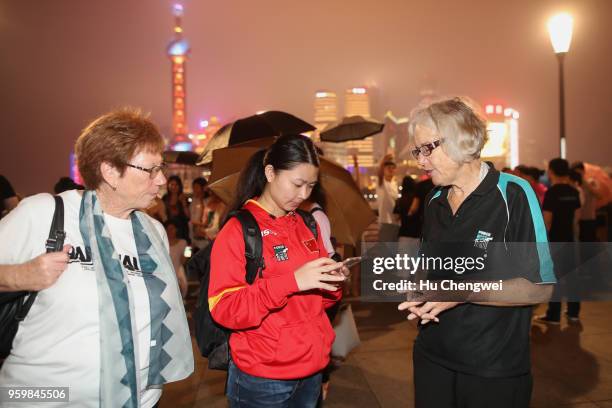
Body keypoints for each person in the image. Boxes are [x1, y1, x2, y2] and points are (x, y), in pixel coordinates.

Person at [0, 108, 193, 407]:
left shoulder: (151, 231)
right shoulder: (44, 214)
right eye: (151, 170)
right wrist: (18, 276)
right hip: (47, 397)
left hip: (139, 398)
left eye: (162, 168)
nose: (162, 181)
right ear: (110, 171)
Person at [398, 97, 555, 408]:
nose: (420, 161)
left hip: (492, 367)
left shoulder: (513, 194)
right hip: (432, 355)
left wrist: (462, 291)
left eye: (427, 149)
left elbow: (540, 288)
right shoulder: (434, 199)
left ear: (462, 141)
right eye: (417, 151)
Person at [208, 134, 347, 407]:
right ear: (270, 172)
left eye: (311, 186)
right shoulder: (238, 231)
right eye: (297, 184)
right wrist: (292, 281)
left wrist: (333, 281)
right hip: (262, 377)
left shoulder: (308, 224)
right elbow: (225, 308)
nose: (304, 195)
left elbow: (322, 303)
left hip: (312, 369)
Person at [536, 158, 581, 324]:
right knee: (572, 277)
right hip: (570, 240)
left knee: (554, 278)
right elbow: (577, 219)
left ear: (551, 171)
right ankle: (573, 312)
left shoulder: (552, 193)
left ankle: (554, 315)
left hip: (555, 241)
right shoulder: (573, 191)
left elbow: (547, 221)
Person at [376, 154, 399, 241]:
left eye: (392, 167)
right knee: (385, 251)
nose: (390, 169)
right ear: (383, 170)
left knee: (394, 252)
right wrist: (383, 161)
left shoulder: (394, 184)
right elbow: (379, 174)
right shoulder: (381, 184)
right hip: (385, 222)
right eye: (388, 167)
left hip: (396, 223)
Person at [162, 175, 190, 243]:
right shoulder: (165, 198)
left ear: (180, 186)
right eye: (172, 184)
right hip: (167, 229)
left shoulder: (183, 198)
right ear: (168, 185)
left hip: (181, 229)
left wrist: (183, 203)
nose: (174, 187)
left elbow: (188, 216)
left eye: (176, 185)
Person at [165, 220, 189, 298]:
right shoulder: (162, 242)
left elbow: (183, 260)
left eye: (172, 229)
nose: (170, 231)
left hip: (178, 267)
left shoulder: (183, 242)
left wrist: (187, 253)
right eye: (168, 229)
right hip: (166, 268)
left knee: (183, 284)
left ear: (176, 230)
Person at [395, 175, 420, 247]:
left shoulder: (400, 201)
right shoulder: (418, 200)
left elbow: (396, 217)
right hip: (417, 233)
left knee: (405, 257)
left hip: (404, 234)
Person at [189, 177, 209, 252]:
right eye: (193, 187)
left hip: (204, 237)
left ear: (203, 188)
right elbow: (190, 215)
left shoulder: (209, 201)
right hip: (193, 235)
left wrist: (201, 202)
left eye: (196, 187)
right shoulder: (194, 200)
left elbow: (205, 220)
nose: (194, 190)